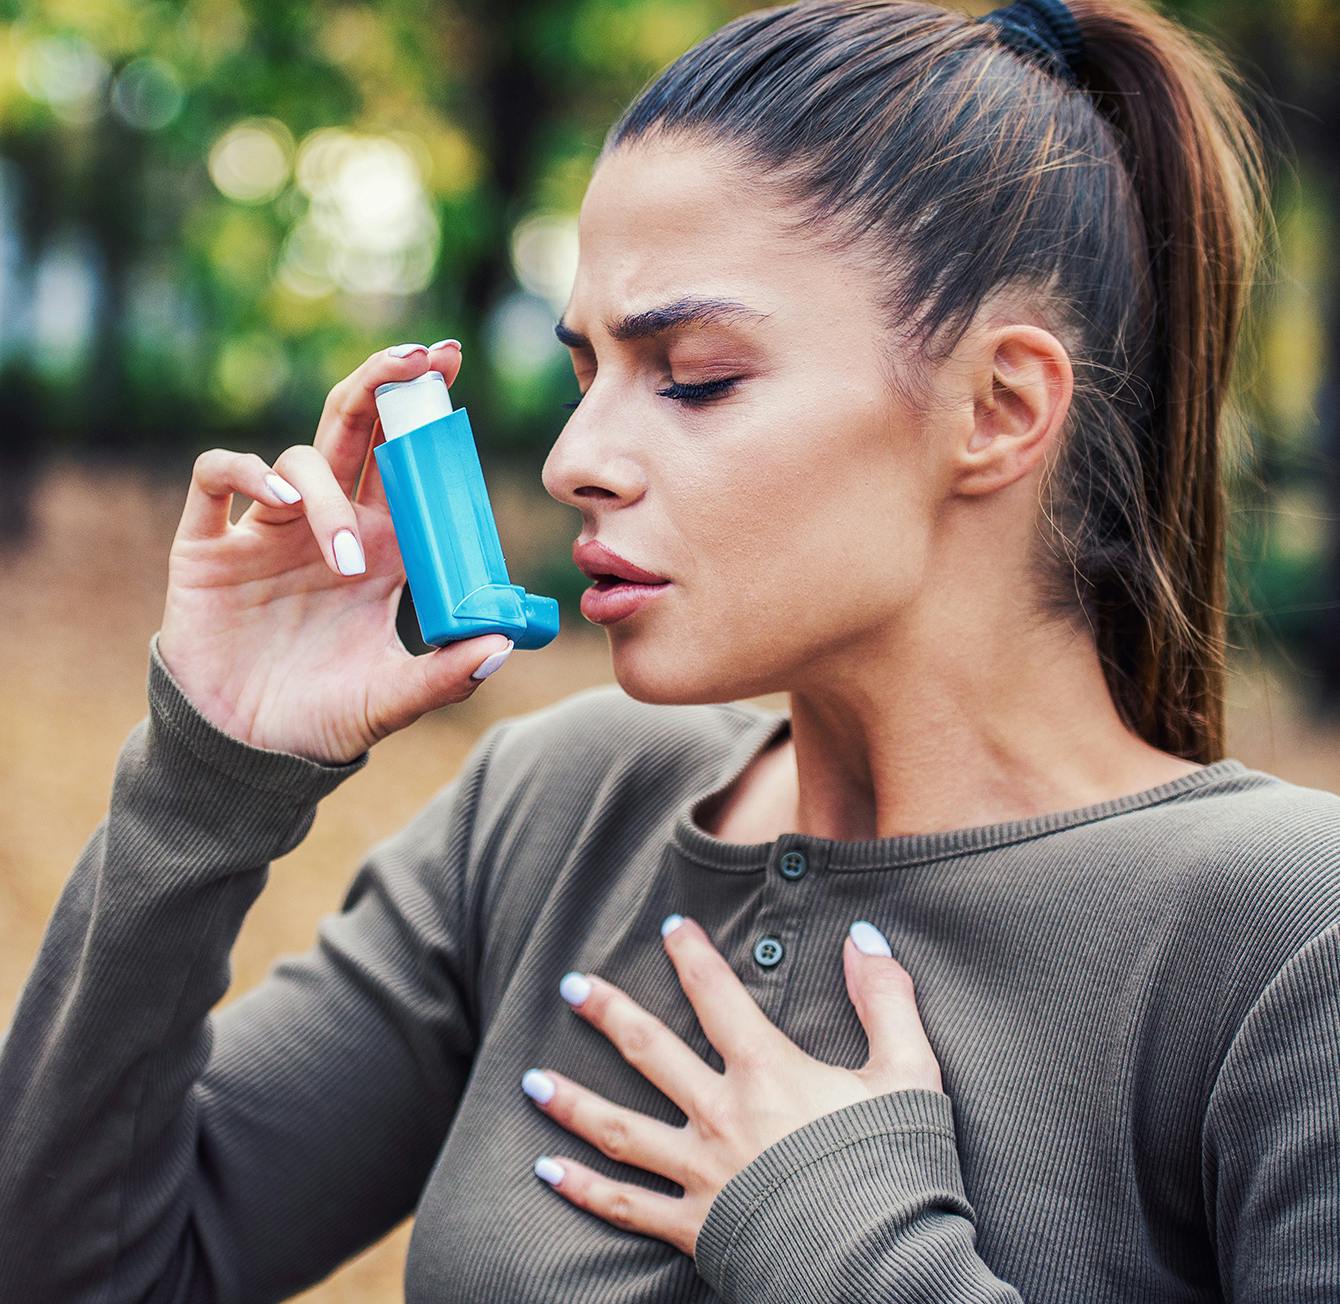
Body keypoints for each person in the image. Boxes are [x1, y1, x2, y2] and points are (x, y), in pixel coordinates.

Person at [3, 0, 1338, 1300]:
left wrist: (843, 1242)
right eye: (587, 370)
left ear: (996, 407)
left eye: (694, 374)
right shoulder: (555, 813)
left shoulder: (1289, 938)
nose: (577, 460)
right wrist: (208, 771)